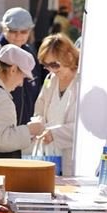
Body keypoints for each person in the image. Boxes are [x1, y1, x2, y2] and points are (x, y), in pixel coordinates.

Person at [32, 33, 80, 176]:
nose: (52, 69)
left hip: (72, 156)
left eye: (54, 64)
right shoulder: (50, 79)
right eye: (46, 65)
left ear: (69, 57)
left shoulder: (83, 82)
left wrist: (55, 133)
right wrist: (38, 125)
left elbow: (84, 127)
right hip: (47, 153)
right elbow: (39, 109)